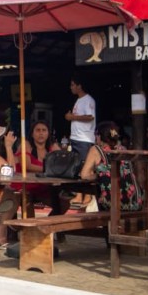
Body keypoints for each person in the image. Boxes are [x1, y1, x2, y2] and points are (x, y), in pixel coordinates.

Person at [79, 121, 143, 212]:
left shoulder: (96, 150)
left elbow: (84, 175)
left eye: (95, 135)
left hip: (113, 203)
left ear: (99, 136)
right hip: (135, 202)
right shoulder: (123, 149)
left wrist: (99, 175)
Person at [65, 76, 95, 206]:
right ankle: (79, 194)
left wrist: (72, 117)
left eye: (73, 85)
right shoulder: (78, 100)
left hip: (84, 138)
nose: (71, 87)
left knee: (86, 166)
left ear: (79, 86)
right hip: (76, 137)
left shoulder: (88, 100)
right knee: (76, 166)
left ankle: (88, 195)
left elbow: (90, 117)